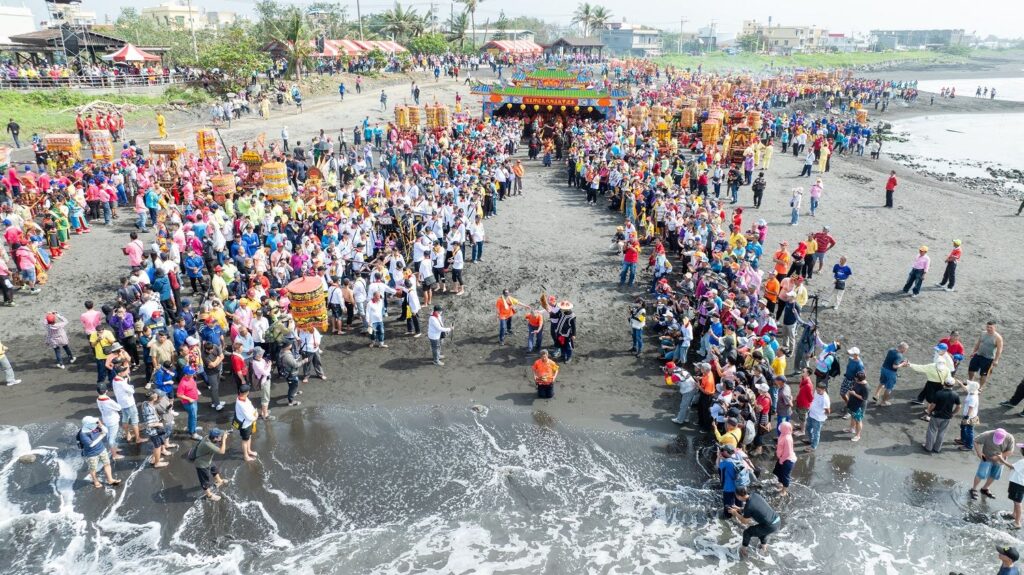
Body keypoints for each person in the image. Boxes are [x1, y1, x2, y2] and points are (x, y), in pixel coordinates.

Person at [729, 486, 781, 559]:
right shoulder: (755, 495)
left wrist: (735, 513)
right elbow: (755, 508)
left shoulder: (749, 506)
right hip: (777, 519)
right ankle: (764, 548)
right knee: (761, 531)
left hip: (770, 526)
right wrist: (739, 509)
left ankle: (743, 551)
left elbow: (745, 521)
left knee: (747, 532)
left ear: (738, 496)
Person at [970, 428, 1015, 500]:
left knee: (995, 475)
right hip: (986, 457)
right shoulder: (987, 434)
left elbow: (1010, 451)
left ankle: (985, 488)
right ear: (994, 434)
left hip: (1000, 460)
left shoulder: (1010, 438)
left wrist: (999, 457)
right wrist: (979, 453)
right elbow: (975, 441)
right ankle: (973, 489)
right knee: (981, 473)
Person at [77, 416, 121, 489]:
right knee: (93, 468)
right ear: (87, 425)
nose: (95, 423)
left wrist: (100, 425)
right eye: (93, 423)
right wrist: (101, 435)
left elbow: (106, 431)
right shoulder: (83, 434)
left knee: (107, 464)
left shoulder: (95, 427)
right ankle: (95, 481)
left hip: (101, 449)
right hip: (91, 454)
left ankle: (110, 479)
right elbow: (91, 444)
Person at [922, 378, 960, 453]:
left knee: (932, 431)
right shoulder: (955, 394)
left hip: (936, 415)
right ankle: (937, 448)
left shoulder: (939, 393)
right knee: (942, 432)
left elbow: (933, 405)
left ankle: (928, 447)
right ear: (953, 385)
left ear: (944, 384)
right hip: (947, 417)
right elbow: (959, 406)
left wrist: (929, 411)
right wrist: (953, 414)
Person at [193, 428, 229, 501]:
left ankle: (219, 481)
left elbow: (217, 441)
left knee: (214, 469)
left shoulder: (209, 437)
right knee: (205, 481)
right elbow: (222, 451)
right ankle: (209, 495)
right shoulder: (208, 444)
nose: (221, 437)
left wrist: (223, 435)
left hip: (207, 460)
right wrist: (224, 439)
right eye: (220, 436)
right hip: (201, 464)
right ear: (215, 438)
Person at [968, 321, 1004, 390]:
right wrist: (974, 352)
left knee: (984, 374)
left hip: (988, 358)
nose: (989, 328)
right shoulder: (983, 333)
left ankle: (980, 388)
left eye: (991, 327)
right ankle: (970, 382)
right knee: (971, 369)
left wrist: (996, 360)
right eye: (987, 327)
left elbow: (999, 350)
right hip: (978, 354)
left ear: (995, 327)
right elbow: (978, 343)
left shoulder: (998, 337)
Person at [140, 390, 170, 468]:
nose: (157, 396)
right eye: (156, 396)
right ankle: (157, 463)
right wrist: (158, 423)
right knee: (158, 447)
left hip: (153, 430)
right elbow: (149, 424)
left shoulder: (145, 403)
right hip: (154, 431)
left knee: (157, 446)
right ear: (153, 399)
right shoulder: (149, 409)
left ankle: (155, 458)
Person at [234, 385, 259, 462]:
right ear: (247, 392)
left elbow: (250, 406)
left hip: (249, 423)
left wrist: (254, 411)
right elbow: (248, 416)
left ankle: (249, 450)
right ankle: (246, 456)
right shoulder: (242, 404)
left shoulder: (242, 397)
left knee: (249, 437)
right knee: (245, 440)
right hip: (245, 425)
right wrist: (256, 417)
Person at [773, 421, 797, 496]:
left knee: (785, 476)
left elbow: (780, 451)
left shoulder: (784, 438)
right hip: (786, 458)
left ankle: (784, 491)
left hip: (787, 460)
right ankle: (780, 484)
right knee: (778, 471)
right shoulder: (787, 435)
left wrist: (778, 455)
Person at [844, 371, 869, 442]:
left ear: (858, 378)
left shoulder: (866, 387)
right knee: (853, 416)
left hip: (859, 407)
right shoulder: (857, 382)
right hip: (853, 404)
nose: (855, 378)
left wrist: (854, 394)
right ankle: (851, 429)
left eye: (856, 378)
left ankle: (858, 435)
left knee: (858, 420)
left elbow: (864, 398)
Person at [805, 382, 830, 452]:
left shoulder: (825, 399)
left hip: (818, 419)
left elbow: (828, 411)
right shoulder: (816, 391)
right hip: (811, 414)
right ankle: (811, 440)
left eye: (819, 390)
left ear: (824, 390)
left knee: (816, 432)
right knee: (808, 428)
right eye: (817, 389)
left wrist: (822, 415)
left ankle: (813, 446)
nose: (817, 391)